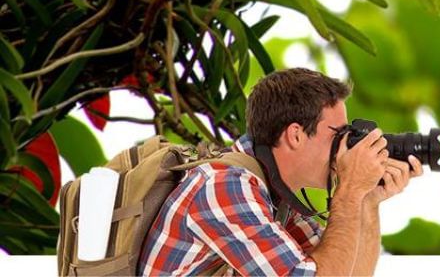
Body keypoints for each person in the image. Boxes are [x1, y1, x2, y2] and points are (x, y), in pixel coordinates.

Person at [139, 68, 424, 275]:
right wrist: (349, 192)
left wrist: (366, 200)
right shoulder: (225, 185)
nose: (343, 147)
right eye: (337, 134)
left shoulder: (276, 194)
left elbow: (346, 271)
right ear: (296, 135)